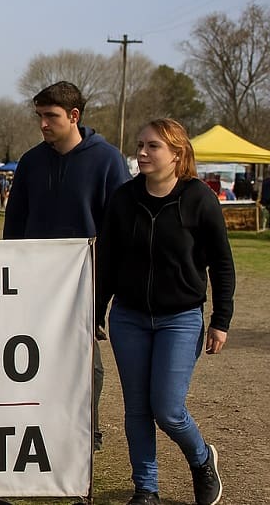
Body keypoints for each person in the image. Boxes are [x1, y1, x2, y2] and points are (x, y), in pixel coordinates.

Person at [96, 118, 234, 505]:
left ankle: (203, 459)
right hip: (129, 317)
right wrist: (96, 310)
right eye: (140, 145)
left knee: (168, 409)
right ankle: (146, 489)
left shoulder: (199, 199)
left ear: (178, 153)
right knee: (137, 408)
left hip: (181, 317)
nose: (142, 152)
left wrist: (221, 320)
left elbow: (222, 264)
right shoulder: (124, 199)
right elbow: (107, 260)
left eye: (152, 146)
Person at [3, 80, 130, 452]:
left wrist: (104, 290)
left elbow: (117, 229)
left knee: (86, 359)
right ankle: (38, 424)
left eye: (50, 116)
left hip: (84, 281)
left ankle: (86, 427)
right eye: (39, 116)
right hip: (34, 280)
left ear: (74, 116)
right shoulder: (30, 162)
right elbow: (15, 225)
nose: (43, 124)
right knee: (31, 353)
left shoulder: (107, 160)